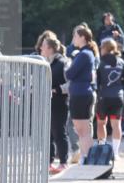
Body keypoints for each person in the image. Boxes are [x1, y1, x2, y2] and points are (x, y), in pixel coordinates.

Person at [65, 24, 99, 162]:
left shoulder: (84, 54)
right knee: (81, 129)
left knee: (82, 129)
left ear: (83, 37)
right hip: (81, 93)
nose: (73, 38)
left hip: (81, 93)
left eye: (75, 36)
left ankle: (87, 157)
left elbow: (70, 73)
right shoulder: (86, 53)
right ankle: (86, 157)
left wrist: (69, 67)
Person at [38, 34, 70, 174]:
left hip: (60, 102)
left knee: (59, 131)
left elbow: (70, 83)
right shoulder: (43, 63)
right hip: (46, 102)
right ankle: (49, 162)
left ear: (50, 49)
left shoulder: (64, 62)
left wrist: (57, 90)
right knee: (47, 133)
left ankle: (63, 162)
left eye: (43, 45)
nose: (40, 48)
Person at [95, 38, 124, 157]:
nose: (100, 49)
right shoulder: (121, 61)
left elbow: (97, 80)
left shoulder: (100, 62)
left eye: (101, 47)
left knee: (101, 123)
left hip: (103, 97)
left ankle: (101, 149)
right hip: (118, 96)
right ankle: (115, 153)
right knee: (116, 125)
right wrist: (119, 85)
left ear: (105, 48)